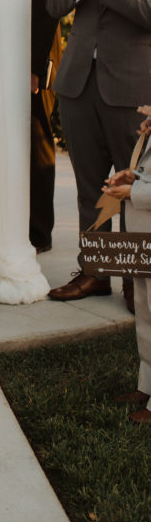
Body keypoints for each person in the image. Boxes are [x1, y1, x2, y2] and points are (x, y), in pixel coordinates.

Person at [45, 0, 151, 311]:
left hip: (132, 89)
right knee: (90, 187)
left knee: (135, 192)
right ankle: (95, 274)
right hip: (77, 85)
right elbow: (53, 3)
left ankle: (136, 283)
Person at [102, 105, 151, 425]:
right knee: (146, 310)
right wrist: (136, 175)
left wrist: (135, 191)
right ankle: (147, 386)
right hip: (144, 231)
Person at [30, 0, 65, 253]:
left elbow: (49, 12)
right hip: (16, 59)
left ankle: (39, 234)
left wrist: (37, 68)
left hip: (39, 64)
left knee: (38, 143)